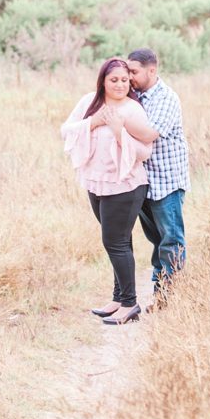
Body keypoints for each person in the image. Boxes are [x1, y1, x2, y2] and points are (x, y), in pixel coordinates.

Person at [61, 57, 159, 325]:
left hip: (125, 186)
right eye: (114, 80)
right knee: (119, 242)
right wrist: (92, 123)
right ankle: (118, 298)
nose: (119, 85)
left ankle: (130, 304)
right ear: (103, 80)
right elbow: (66, 130)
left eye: (125, 80)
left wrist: (119, 133)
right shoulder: (89, 102)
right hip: (96, 182)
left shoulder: (132, 109)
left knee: (114, 243)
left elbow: (145, 151)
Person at [125, 48, 190, 303]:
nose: (130, 76)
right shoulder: (135, 96)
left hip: (167, 181)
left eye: (134, 71)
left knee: (171, 240)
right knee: (156, 240)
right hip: (144, 182)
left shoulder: (166, 98)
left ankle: (168, 296)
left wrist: (117, 122)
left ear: (151, 70)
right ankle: (159, 290)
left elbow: (150, 133)